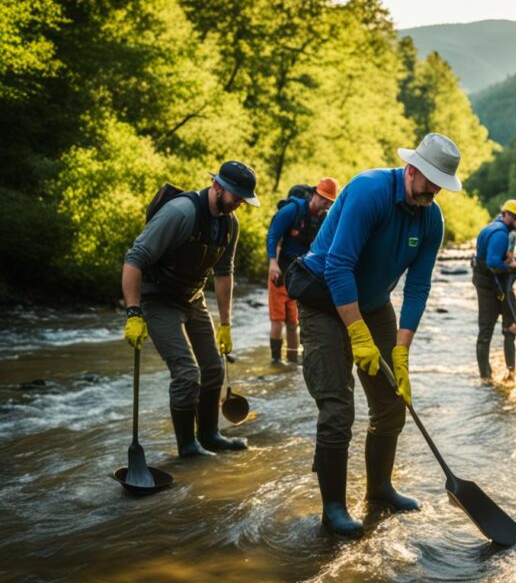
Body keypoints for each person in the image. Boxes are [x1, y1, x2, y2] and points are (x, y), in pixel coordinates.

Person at [285, 133, 461, 537]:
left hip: (375, 303)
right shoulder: (368, 191)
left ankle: (379, 490)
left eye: (440, 184)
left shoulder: (431, 219)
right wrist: (358, 336)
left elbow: (418, 287)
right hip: (325, 298)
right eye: (429, 180)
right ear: (411, 169)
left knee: (390, 403)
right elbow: (339, 266)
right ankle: (333, 508)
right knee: (337, 410)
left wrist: (401, 351)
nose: (433, 191)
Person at [122, 161, 258, 458]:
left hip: (193, 299)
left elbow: (225, 272)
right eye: (236, 196)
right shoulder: (180, 213)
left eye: (243, 199)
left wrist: (226, 324)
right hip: (157, 298)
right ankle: (187, 447)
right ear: (217, 187)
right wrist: (133, 313)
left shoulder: (230, 224)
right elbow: (134, 259)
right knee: (186, 374)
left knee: (213, 369)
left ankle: (209, 435)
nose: (239, 204)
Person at [266, 178, 337, 364]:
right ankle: (275, 361)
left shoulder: (325, 219)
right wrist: (272, 263)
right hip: (280, 271)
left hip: (301, 276)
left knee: (293, 322)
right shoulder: (293, 210)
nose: (326, 204)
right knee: (277, 320)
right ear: (314, 194)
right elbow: (273, 234)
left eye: (330, 202)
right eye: (323, 199)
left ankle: (292, 361)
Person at [472, 200, 516, 382]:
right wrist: (513, 265)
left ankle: (504, 375)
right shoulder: (500, 234)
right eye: (515, 218)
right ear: (505, 214)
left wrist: (508, 261)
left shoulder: (492, 228)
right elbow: (492, 262)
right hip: (490, 287)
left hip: (492, 285)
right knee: (487, 332)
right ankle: (488, 377)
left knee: (509, 327)